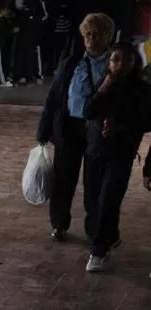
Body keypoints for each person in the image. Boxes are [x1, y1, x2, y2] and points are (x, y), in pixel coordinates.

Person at [38, 12, 114, 242]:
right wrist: (43, 130)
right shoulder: (72, 63)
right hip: (69, 127)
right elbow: (53, 98)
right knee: (63, 179)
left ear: (108, 36)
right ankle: (59, 224)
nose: (92, 39)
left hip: (97, 130)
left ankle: (94, 231)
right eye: (88, 34)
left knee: (94, 184)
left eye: (98, 34)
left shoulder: (115, 65)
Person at [81, 42, 151, 272]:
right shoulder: (103, 82)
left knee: (107, 200)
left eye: (126, 60)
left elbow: (145, 122)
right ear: (109, 62)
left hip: (121, 153)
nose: (119, 65)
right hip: (94, 151)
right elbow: (87, 111)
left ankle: (98, 251)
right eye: (115, 60)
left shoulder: (142, 90)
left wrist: (119, 129)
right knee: (92, 202)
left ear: (134, 63)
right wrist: (103, 89)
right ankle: (108, 236)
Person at [13, 0, 47, 84]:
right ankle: (26, 75)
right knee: (25, 56)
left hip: (29, 37)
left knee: (28, 56)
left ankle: (29, 75)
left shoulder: (31, 10)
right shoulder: (24, 13)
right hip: (26, 37)